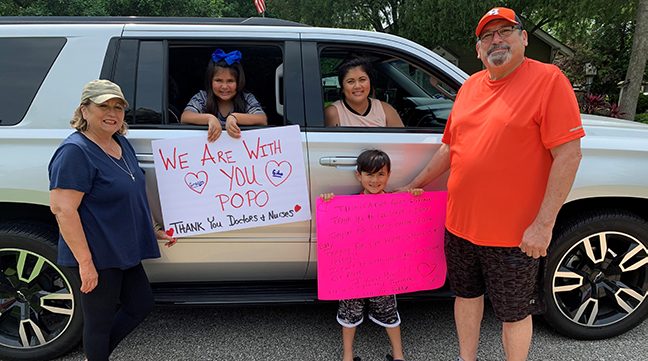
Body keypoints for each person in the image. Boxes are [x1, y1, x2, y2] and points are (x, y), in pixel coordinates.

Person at [398, 7, 584, 361]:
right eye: (487, 35)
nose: (496, 40)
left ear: (523, 38)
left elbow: (568, 156)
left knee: (514, 312)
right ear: (480, 48)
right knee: (466, 297)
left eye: (505, 31)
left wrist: (543, 226)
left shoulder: (548, 80)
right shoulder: (469, 86)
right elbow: (451, 146)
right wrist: (415, 184)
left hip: (514, 234)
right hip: (460, 225)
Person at [48, 79, 176, 361]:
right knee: (99, 323)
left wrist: (153, 228)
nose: (113, 113)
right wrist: (86, 264)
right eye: (103, 106)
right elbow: (63, 210)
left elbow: (132, 194)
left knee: (140, 305)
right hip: (99, 252)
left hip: (123, 248)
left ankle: (98, 354)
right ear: (84, 110)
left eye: (118, 107)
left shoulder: (120, 143)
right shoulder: (75, 152)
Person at [321, 149, 422, 361]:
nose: (374, 180)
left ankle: (398, 355)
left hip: (383, 272)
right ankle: (347, 356)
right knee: (350, 313)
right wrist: (328, 201)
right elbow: (334, 224)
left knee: (389, 312)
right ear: (359, 175)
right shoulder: (347, 205)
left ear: (389, 175)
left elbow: (412, 225)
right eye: (369, 174)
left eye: (380, 174)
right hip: (353, 273)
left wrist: (415, 198)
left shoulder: (396, 202)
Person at [181, 49, 267, 142]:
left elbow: (262, 119)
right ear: (210, 81)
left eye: (230, 81)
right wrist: (210, 118)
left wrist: (234, 117)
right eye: (218, 80)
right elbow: (185, 117)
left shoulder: (246, 98)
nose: (224, 87)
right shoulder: (202, 97)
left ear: (238, 82)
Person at [325, 58, 404, 127]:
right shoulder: (333, 113)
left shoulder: (386, 110)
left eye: (362, 80)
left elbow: (402, 141)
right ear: (342, 87)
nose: (357, 86)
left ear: (370, 82)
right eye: (350, 81)